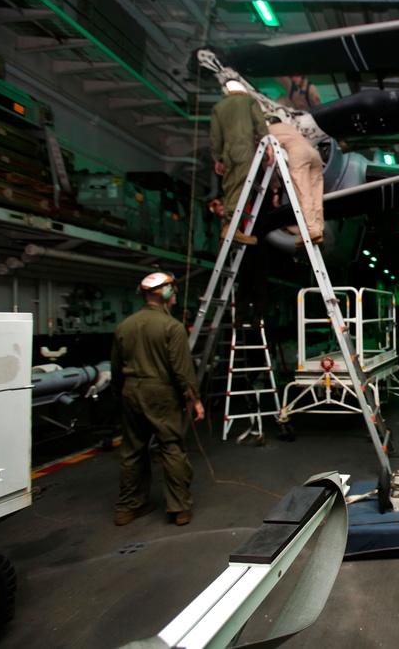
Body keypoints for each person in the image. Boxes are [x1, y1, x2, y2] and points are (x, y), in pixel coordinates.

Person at [111, 271, 205, 527]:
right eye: (173, 291)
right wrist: (194, 400)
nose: (175, 296)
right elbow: (182, 370)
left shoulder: (124, 325)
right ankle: (179, 509)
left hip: (131, 392)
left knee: (132, 450)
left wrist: (119, 397)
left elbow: (116, 369)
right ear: (165, 294)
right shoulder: (171, 327)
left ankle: (128, 508)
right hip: (160, 393)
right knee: (171, 447)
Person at [210, 79, 273, 246]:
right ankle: (231, 227)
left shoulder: (219, 108)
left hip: (228, 153)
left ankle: (228, 226)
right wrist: (269, 146)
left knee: (230, 188)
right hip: (245, 149)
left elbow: (216, 137)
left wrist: (217, 158)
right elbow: (260, 125)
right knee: (243, 188)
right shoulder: (249, 102)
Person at [267, 114, 325, 245]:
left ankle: (312, 230)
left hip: (297, 154)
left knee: (303, 192)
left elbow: (269, 159)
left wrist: (275, 188)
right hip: (314, 155)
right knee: (317, 194)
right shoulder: (289, 128)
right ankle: (319, 229)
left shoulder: (268, 132)